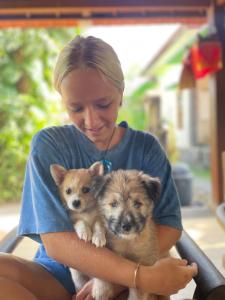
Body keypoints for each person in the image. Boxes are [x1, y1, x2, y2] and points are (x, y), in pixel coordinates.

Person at [0, 35, 197, 300]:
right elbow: (56, 242)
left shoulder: (146, 148)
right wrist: (138, 277)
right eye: (76, 107)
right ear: (62, 99)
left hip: (133, 267)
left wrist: (121, 279)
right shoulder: (49, 145)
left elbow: (169, 224)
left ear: (121, 93)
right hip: (60, 272)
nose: (91, 120)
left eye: (103, 104)